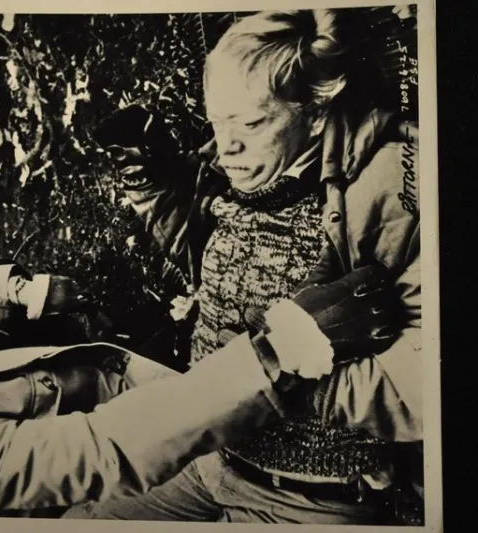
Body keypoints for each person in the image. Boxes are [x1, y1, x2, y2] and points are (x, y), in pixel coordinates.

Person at [85, 8, 422, 525]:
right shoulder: (246, 165)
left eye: (250, 122)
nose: (228, 146)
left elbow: (424, 384)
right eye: (219, 121)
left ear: (316, 110)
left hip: (306, 495)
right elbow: (212, 256)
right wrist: (152, 186)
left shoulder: (391, 191)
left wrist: (274, 370)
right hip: (206, 457)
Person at [0, 256, 396, 517]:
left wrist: (21, 291)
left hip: (153, 400)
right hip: (102, 494)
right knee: (311, 497)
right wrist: (278, 352)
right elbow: (108, 446)